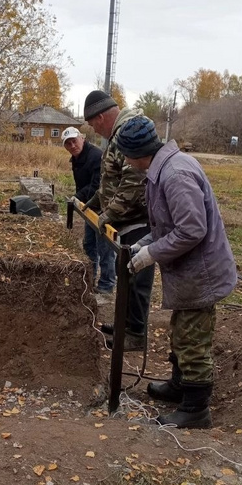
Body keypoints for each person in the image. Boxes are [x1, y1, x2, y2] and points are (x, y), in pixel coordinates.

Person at [116, 117, 238, 429]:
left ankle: (196, 409)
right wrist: (140, 245)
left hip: (202, 273)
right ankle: (180, 385)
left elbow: (191, 229)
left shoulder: (175, 174)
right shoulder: (163, 169)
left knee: (192, 339)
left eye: (125, 155)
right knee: (181, 331)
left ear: (136, 153)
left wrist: (150, 254)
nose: (125, 162)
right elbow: (165, 225)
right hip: (189, 272)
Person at [82, 90, 154, 351]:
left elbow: (133, 182)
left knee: (137, 279)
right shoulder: (116, 137)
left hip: (138, 220)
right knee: (126, 276)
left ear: (101, 117)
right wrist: (96, 201)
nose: (93, 130)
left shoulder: (128, 133)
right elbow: (111, 179)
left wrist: (108, 215)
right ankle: (125, 325)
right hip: (125, 220)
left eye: (92, 125)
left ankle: (136, 333)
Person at [61, 126, 116, 297]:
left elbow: (96, 186)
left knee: (105, 248)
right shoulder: (77, 159)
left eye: (74, 141)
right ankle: (90, 277)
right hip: (89, 208)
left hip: (103, 208)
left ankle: (107, 285)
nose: (72, 145)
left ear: (82, 138)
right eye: (68, 144)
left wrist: (76, 197)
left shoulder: (95, 156)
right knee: (89, 244)